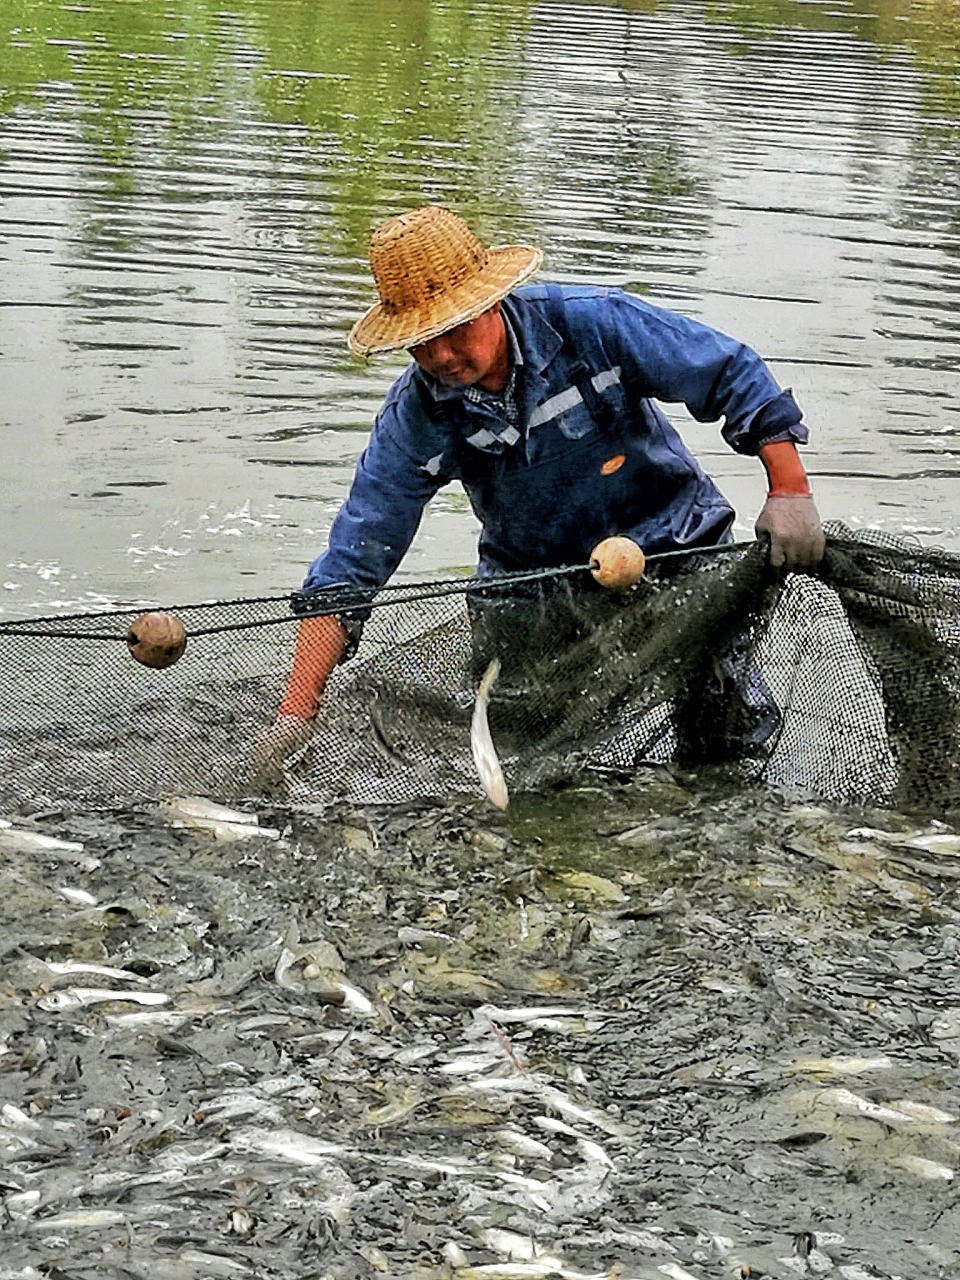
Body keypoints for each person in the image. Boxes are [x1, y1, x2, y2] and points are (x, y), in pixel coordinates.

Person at [252, 204, 824, 783]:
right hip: (531, 585)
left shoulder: (591, 325)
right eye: (422, 344)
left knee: (721, 736)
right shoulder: (415, 418)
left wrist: (789, 489)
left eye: (453, 332)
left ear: (489, 302)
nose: (442, 358)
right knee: (519, 766)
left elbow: (729, 373)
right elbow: (353, 561)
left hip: (676, 547)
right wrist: (295, 717)